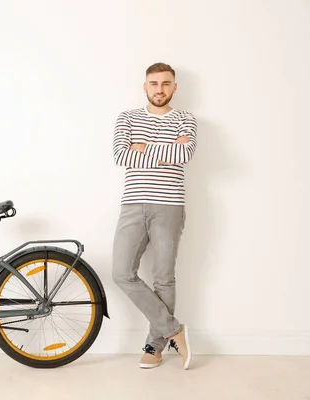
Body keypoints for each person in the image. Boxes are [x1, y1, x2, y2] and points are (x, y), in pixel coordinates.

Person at [111, 62, 197, 370]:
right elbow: (121, 154)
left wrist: (143, 147)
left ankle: (154, 346)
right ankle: (175, 330)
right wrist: (166, 148)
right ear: (145, 87)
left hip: (169, 206)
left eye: (165, 84)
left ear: (174, 87)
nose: (159, 89)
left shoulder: (185, 118)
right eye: (153, 83)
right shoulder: (128, 117)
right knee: (122, 272)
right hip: (133, 204)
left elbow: (185, 154)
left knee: (163, 278)